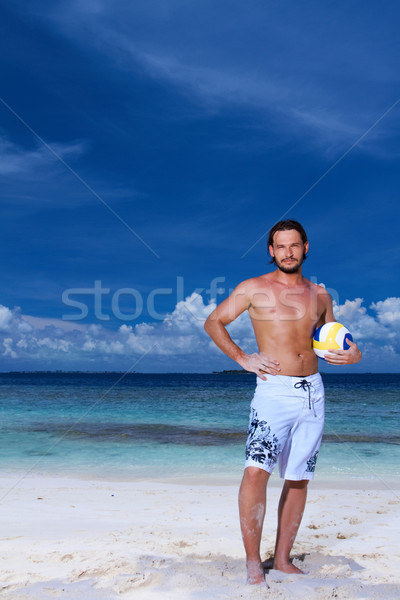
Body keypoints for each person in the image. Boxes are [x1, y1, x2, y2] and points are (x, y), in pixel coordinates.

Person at [203, 219, 362, 587]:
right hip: (273, 391)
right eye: (281, 247)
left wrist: (353, 355)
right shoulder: (254, 288)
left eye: (294, 245)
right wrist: (244, 358)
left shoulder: (321, 295)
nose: (288, 252)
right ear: (271, 251)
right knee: (256, 471)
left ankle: (284, 560)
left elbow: (332, 338)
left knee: (299, 477)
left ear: (306, 247)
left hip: (312, 392)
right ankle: (253, 562)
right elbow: (214, 322)